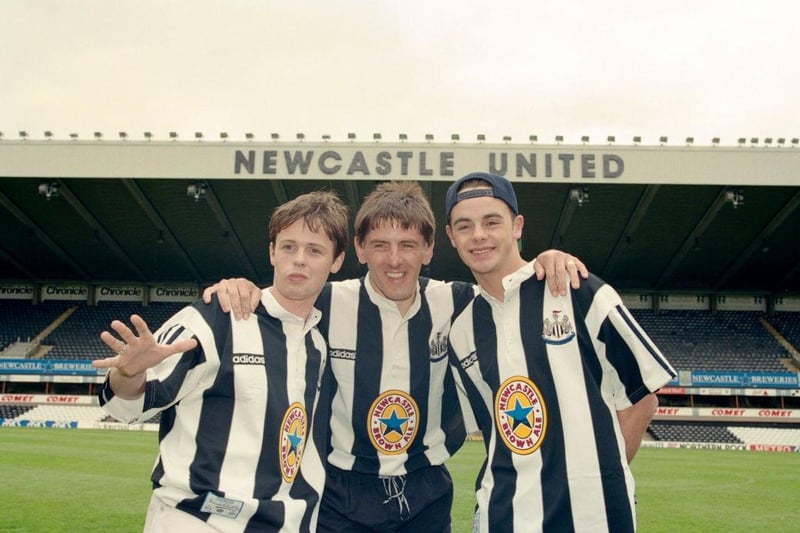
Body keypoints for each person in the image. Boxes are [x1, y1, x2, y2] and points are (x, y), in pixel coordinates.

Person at [205, 181, 588, 532]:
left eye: (407, 245)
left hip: (427, 492)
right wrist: (238, 286)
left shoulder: (457, 302)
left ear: (428, 249)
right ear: (358, 249)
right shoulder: (327, 302)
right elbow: (275, 300)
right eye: (380, 245)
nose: (394, 260)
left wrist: (548, 259)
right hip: (342, 493)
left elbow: (507, 288)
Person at [91, 190, 350, 533]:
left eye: (314, 250)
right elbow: (127, 406)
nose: (299, 259)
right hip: (197, 520)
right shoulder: (218, 316)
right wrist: (129, 372)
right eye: (289, 247)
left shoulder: (319, 342)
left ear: (336, 261)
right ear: (272, 252)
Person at [443, 172, 677, 533]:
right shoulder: (461, 331)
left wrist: (597, 481)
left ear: (517, 226)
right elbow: (493, 434)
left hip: (593, 518)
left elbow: (642, 401)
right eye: (464, 226)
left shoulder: (577, 289)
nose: (478, 235)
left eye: (492, 222)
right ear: (451, 237)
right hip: (503, 517)